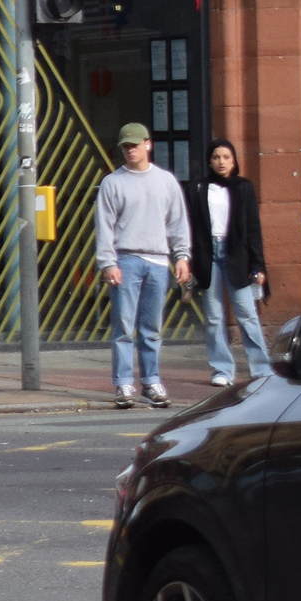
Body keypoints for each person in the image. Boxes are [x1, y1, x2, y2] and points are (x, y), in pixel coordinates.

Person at [95, 121, 192, 409]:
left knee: (152, 327)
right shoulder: (113, 182)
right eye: (125, 146)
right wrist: (108, 262)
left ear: (148, 144)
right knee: (123, 327)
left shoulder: (165, 181)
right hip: (125, 259)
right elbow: (105, 227)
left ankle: (151, 381)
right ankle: (124, 383)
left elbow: (177, 222)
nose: (130, 151)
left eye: (135, 145)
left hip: (158, 260)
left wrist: (182, 256)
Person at [185, 138, 268, 386]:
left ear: (234, 161)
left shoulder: (243, 187)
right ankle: (222, 369)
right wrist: (187, 260)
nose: (221, 162)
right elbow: (191, 226)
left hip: (236, 255)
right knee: (213, 316)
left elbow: (253, 228)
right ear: (210, 161)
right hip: (208, 253)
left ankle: (261, 367)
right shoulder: (199, 187)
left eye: (226, 157)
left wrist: (258, 265)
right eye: (216, 157)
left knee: (247, 313)